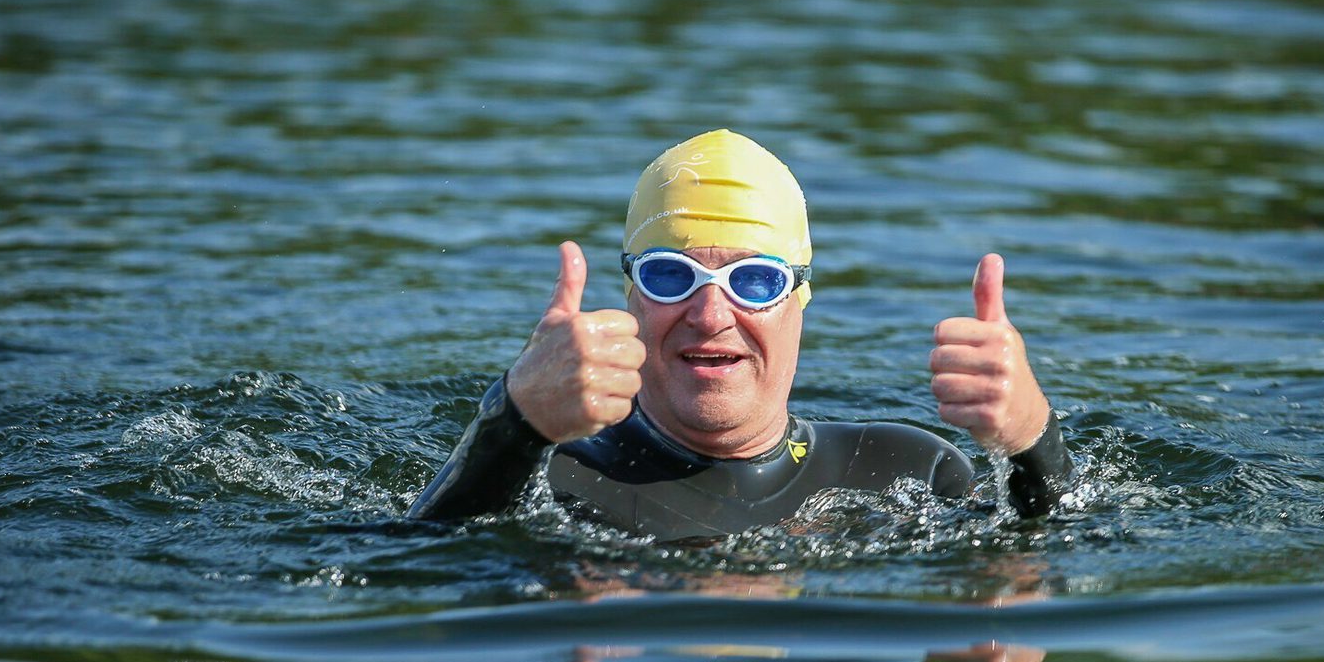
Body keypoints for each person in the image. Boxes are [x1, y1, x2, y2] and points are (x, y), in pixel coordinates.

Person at [410, 129, 1071, 540]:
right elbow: (414, 573)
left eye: (754, 281)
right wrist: (512, 421)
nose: (709, 314)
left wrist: (1032, 440)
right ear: (631, 296)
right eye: (671, 276)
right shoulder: (554, 476)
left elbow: (1061, 550)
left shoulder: (906, 470)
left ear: (799, 299)